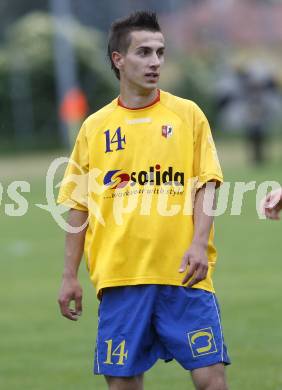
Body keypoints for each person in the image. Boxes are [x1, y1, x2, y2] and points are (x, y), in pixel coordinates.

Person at [57, 11, 230, 390]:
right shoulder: (94, 127)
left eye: (160, 52)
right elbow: (78, 205)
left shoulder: (188, 115)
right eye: (144, 52)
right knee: (122, 384)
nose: (155, 62)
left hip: (184, 275)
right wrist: (69, 276)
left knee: (212, 381)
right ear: (119, 60)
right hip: (120, 279)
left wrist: (199, 242)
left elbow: (208, 184)